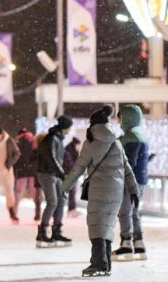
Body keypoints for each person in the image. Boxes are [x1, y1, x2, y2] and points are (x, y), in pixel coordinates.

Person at [62, 105, 138, 277]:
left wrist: (63, 188)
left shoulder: (91, 144)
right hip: (117, 192)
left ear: (93, 126)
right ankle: (106, 264)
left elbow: (78, 169)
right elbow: (127, 169)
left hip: (99, 191)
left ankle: (98, 264)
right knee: (108, 226)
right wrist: (134, 190)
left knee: (97, 226)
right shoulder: (116, 143)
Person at [112, 104, 150, 261]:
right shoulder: (141, 134)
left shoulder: (131, 136)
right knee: (133, 212)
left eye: (120, 118)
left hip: (130, 180)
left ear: (127, 118)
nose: (119, 122)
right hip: (141, 179)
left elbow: (129, 162)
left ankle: (126, 244)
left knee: (124, 212)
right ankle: (139, 243)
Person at [35, 115, 73, 248]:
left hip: (54, 174)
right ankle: (42, 232)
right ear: (66, 127)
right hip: (47, 173)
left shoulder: (57, 137)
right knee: (52, 202)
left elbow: (55, 158)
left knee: (61, 201)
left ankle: (56, 231)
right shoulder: (52, 138)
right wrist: (61, 173)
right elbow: (51, 157)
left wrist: (60, 173)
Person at [13, 127, 41, 221]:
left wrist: (15, 170)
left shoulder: (17, 143)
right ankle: (37, 213)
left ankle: (14, 213)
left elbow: (16, 158)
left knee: (18, 192)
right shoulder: (33, 142)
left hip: (22, 171)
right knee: (34, 194)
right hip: (33, 171)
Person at [64, 137, 82, 218]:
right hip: (69, 175)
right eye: (78, 145)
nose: (78, 147)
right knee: (72, 192)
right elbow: (70, 165)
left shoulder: (72, 151)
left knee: (72, 193)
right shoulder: (68, 152)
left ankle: (71, 209)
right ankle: (71, 210)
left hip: (71, 174)